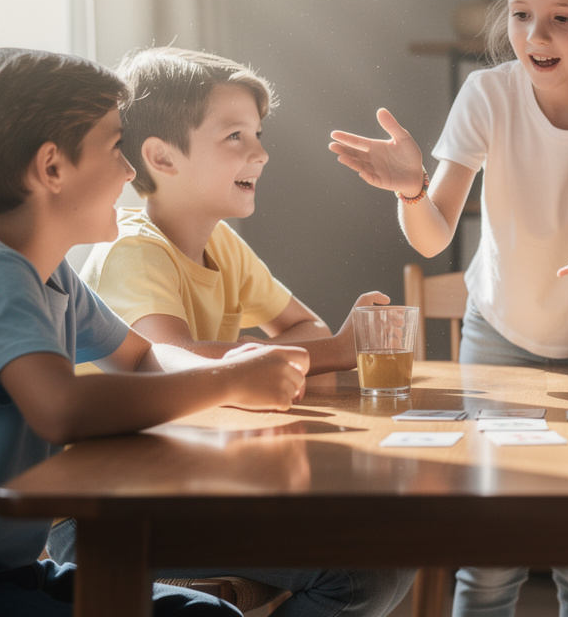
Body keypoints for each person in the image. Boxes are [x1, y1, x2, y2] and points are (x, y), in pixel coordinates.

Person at [0, 48, 310, 617]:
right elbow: (61, 409)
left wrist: (233, 367)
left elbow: (140, 357)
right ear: (52, 169)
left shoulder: (46, 272)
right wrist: (227, 382)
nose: (131, 171)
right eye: (115, 147)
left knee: (209, 614)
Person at [329, 0, 568, 617]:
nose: (535, 36)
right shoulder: (488, 94)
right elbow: (432, 238)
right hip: (496, 339)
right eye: (521, 15)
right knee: (489, 559)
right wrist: (410, 188)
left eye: (561, 18)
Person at [47, 46, 414, 617]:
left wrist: (280, 364)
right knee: (364, 568)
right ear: (162, 157)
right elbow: (165, 358)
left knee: (393, 544)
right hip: (107, 514)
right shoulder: (133, 250)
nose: (261, 153)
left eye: (258, 134)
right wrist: (333, 352)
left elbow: (302, 325)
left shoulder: (221, 242)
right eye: (235, 137)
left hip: (190, 487)